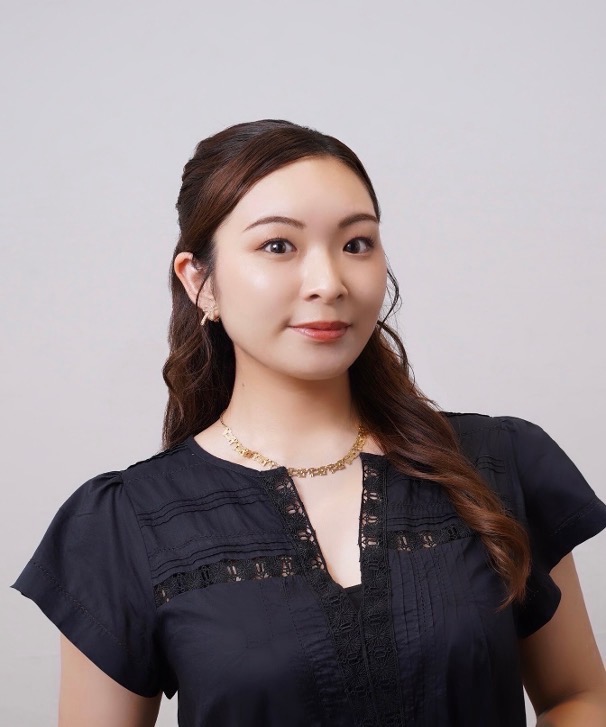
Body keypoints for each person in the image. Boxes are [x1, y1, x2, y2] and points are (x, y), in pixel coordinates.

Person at [11, 119, 606, 726]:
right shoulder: (123, 526)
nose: (329, 283)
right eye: (278, 246)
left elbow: (579, 697)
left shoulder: (497, 463)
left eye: (357, 244)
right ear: (199, 281)